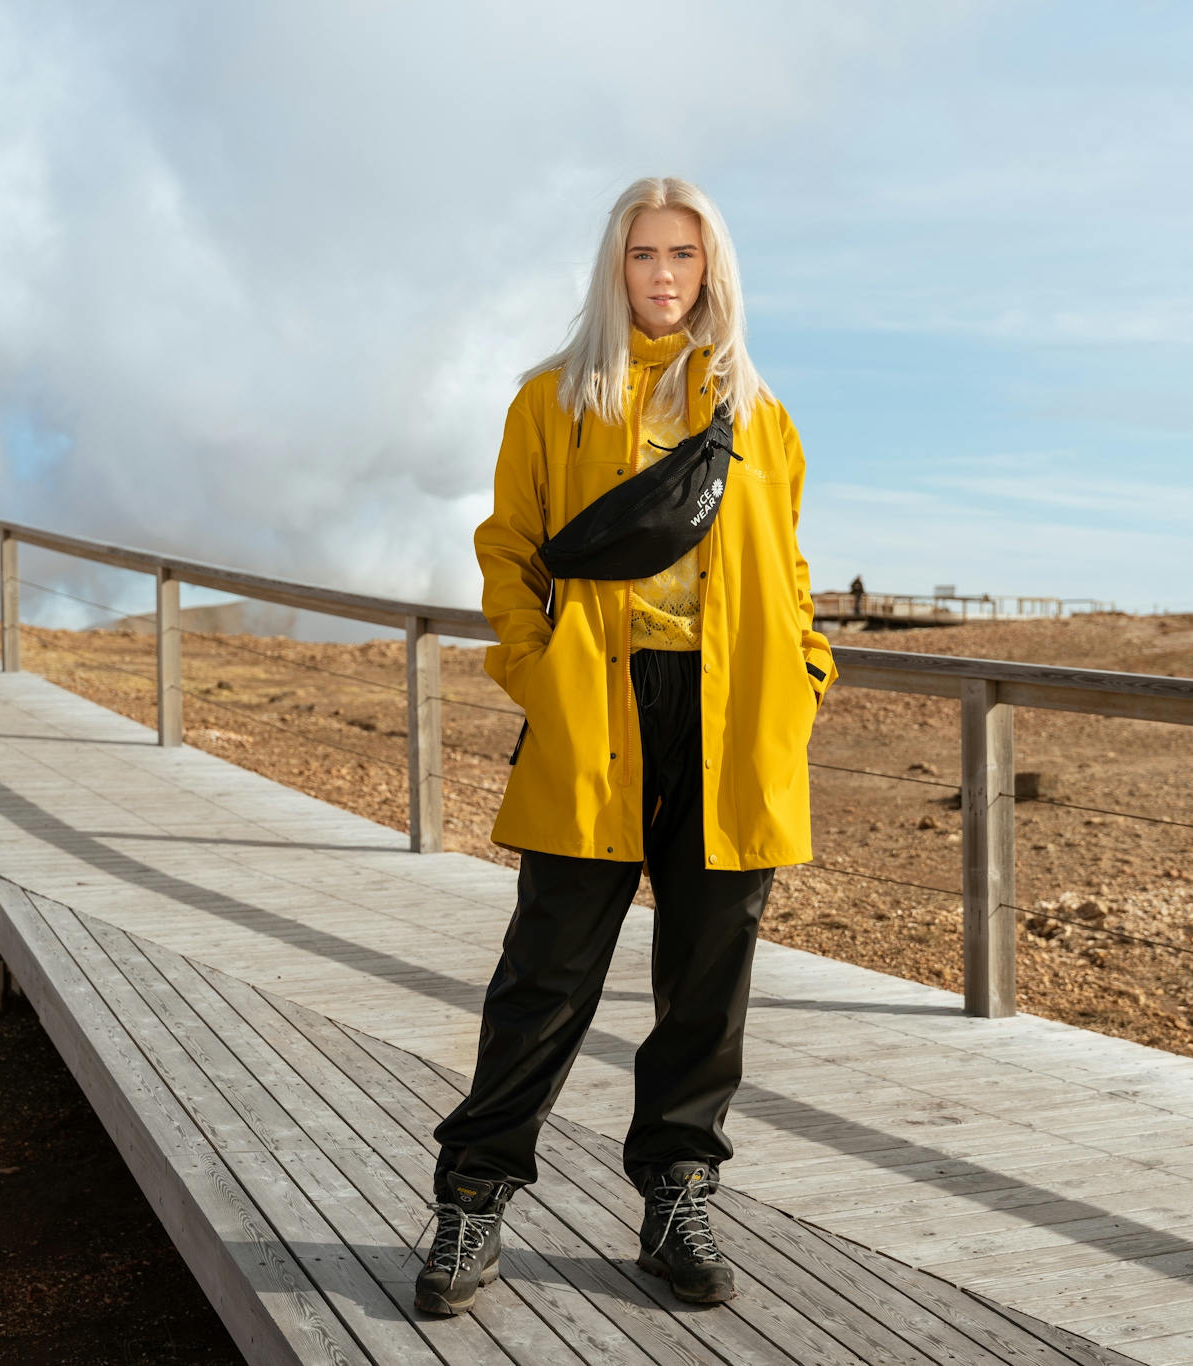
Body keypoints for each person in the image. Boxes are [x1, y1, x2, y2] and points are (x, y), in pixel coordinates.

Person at [415, 177, 836, 1315]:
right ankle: (471, 1197)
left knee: (707, 981)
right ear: (614, 268)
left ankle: (677, 1194)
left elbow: (786, 571)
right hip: (595, 708)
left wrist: (804, 675)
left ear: (712, 272)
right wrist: (529, 667)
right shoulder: (550, 401)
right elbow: (506, 549)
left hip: (732, 716)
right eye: (642, 254)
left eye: (682, 257)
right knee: (545, 978)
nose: (662, 275)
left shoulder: (757, 413)